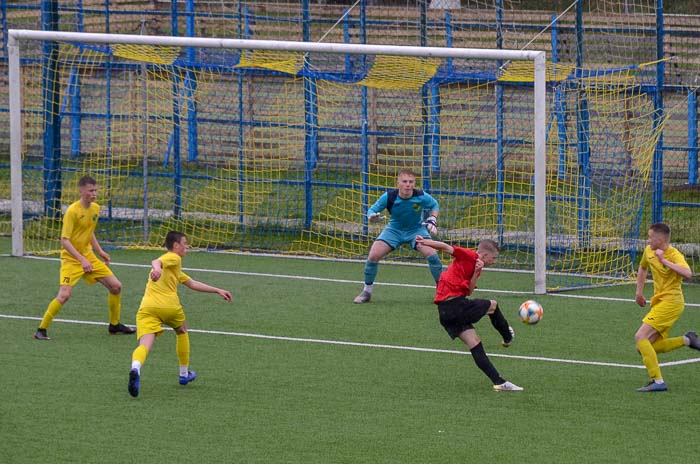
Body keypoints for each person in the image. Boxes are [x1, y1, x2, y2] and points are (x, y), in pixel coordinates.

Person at [128, 230, 232, 398]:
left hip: (147, 307)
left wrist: (217, 290)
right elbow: (157, 261)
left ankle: (135, 368)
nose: (187, 247)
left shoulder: (174, 268)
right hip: (169, 307)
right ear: (176, 245)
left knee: (144, 344)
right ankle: (184, 374)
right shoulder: (173, 258)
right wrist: (156, 269)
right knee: (182, 330)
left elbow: (191, 283)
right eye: (185, 244)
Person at [415, 235, 522, 392]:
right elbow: (445, 247)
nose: (494, 261)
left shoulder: (478, 267)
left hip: (446, 313)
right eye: (493, 258)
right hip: (453, 305)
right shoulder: (470, 255)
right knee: (492, 305)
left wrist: (475, 272)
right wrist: (424, 242)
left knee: (474, 342)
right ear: (484, 255)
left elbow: (469, 291)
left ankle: (499, 382)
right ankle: (507, 336)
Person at [33, 175, 134, 340]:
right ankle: (41, 330)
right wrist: (81, 260)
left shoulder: (95, 208)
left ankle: (114, 325)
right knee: (64, 295)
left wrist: (99, 251)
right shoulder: (72, 211)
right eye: (90, 191)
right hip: (72, 260)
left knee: (116, 286)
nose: (94, 194)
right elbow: (64, 241)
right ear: (81, 191)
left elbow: (89, 231)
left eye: (96, 190)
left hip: (88, 257)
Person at [353, 169, 443, 304]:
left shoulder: (421, 196)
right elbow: (372, 210)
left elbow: (434, 205)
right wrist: (372, 217)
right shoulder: (389, 197)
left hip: (416, 230)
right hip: (394, 230)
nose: (408, 185)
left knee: (432, 254)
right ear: (398, 183)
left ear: (414, 183)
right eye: (404, 181)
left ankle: (442, 291)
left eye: (411, 182)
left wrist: (433, 218)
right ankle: (367, 292)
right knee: (373, 255)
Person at [633, 222, 699, 392]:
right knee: (644, 347)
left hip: (672, 302)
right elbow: (642, 268)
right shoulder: (649, 251)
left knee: (640, 337)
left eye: (650, 237)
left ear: (661, 239)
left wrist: (664, 261)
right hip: (659, 303)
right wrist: (639, 292)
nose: (648, 241)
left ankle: (658, 382)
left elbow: (688, 274)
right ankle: (687, 340)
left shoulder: (673, 254)